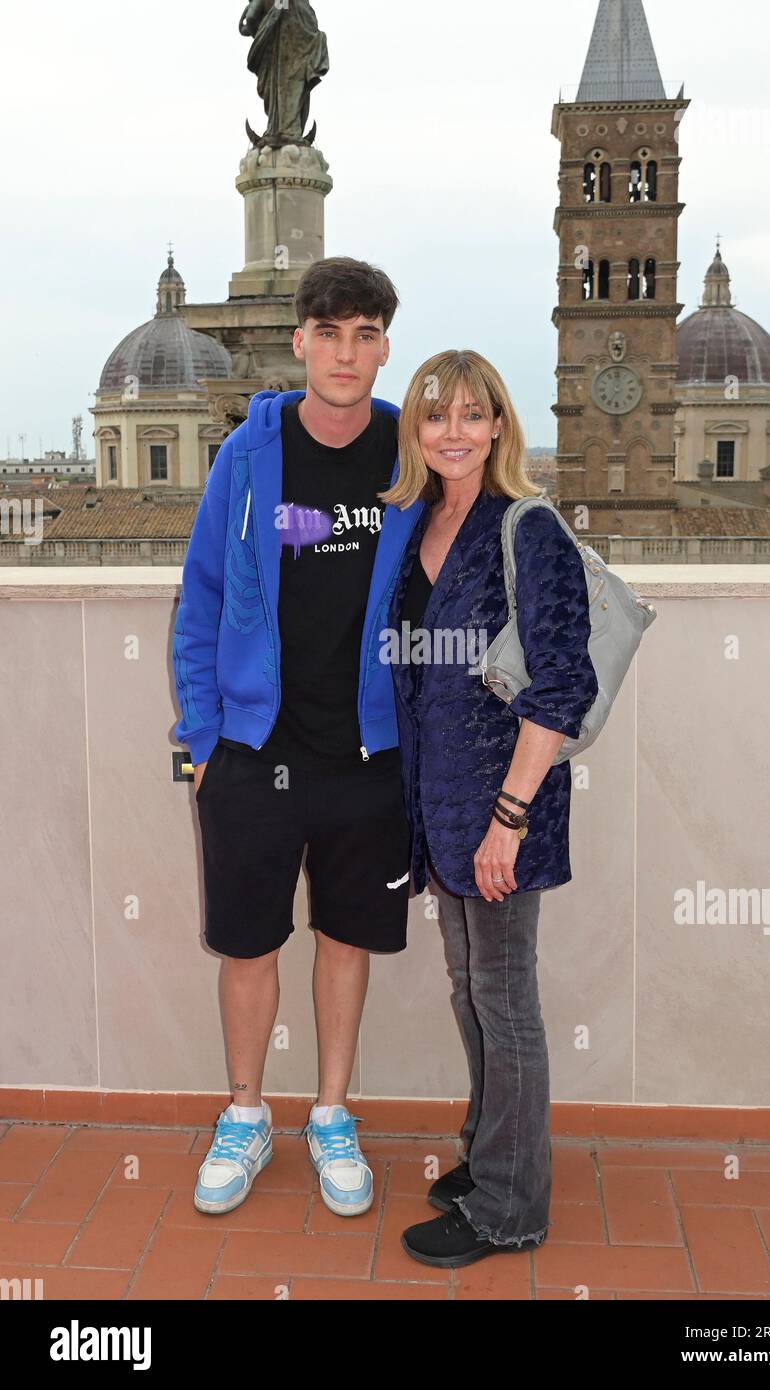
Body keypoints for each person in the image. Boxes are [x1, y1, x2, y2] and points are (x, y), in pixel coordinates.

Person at [172, 257, 427, 1219]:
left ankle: (329, 1111)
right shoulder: (251, 451)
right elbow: (200, 598)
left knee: (347, 941)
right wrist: (204, 737)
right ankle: (246, 1111)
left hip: (367, 755)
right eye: (330, 334)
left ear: (384, 346)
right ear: (301, 343)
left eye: (365, 336)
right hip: (252, 754)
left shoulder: (410, 449)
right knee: (248, 945)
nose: (346, 354)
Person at [381, 349, 599, 1267]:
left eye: (474, 415)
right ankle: (489, 1156)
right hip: (439, 803)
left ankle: (512, 1207)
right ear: (417, 432)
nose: (455, 432)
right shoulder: (421, 523)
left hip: (502, 804)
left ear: (501, 425)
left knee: (505, 998)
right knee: (472, 987)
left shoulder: (527, 528)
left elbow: (563, 684)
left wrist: (508, 818)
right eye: (437, 416)